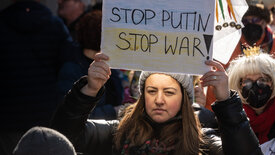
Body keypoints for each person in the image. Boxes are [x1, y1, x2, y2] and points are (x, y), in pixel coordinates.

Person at [51, 52, 262, 155]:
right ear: (142, 97)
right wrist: (89, 90)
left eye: (169, 92)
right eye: (152, 91)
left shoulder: (203, 143)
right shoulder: (118, 133)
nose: (159, 100)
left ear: (184, 101)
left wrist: (226, 101)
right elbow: (62, 137)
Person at [205, 3, 275, 118]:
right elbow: (213, 95)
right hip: (236, 123)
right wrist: (215, 127)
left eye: (256, 19)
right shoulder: (224, 50)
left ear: (265, 22)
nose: (251, 24)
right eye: (245, 20)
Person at [0, 0, 76, 154]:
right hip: (45, 111)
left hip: (7, 113)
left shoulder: (2, 22)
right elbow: (68, 62)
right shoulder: (55, 25)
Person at [57, 10, 124, 119]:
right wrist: (113, 112)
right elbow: (69, 112)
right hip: (89, 133)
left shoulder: (111, 66)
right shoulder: (71, 70)